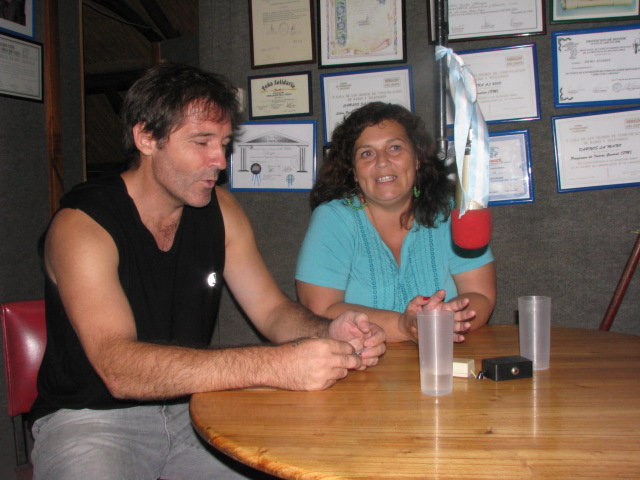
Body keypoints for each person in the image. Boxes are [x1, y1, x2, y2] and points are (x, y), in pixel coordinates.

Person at [29, 62, 386, 480]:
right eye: (202, 142)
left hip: (195, 408)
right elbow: (119, 368)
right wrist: (275, 366)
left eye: (224, 143)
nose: (220, 160)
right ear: (147, 138)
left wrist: (328, 331)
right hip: (89, 421)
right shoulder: (82, 225)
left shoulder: (222, 210)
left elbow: (272, 310)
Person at [296, 102, 496, 344]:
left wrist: (448, 319)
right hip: (360, 363)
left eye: (395, 147)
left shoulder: (449, 212)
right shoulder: (333, 219)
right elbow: (320, 311)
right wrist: (407, 326)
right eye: (367, 153)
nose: (382, 161)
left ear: (417, 158)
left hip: (445, 358)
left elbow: (480, 294)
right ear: (354, 171)